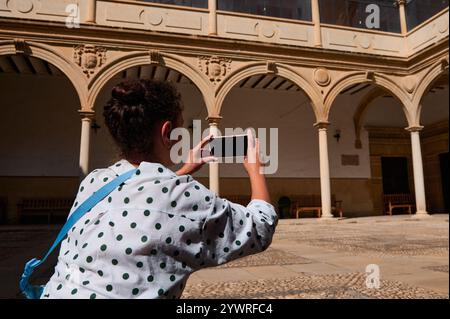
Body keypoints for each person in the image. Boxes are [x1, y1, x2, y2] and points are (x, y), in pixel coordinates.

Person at [41, 79, 278, 299]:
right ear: (167, 132)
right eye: (180, 129)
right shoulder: (183, 195)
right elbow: (260, 227)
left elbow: (142, 196)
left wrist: (186, 168)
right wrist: (254, 168)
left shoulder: (94, 181)